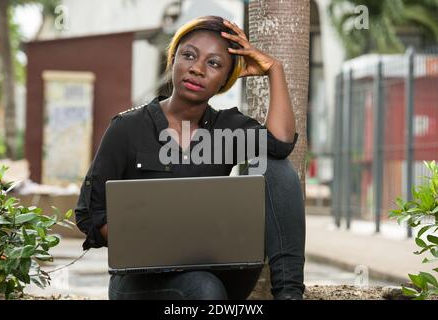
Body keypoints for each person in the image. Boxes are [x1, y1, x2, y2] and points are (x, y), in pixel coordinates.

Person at [75, 15, 305, 300]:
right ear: (173, 60)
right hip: (143, 281)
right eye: (189, 55)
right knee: (203, 289)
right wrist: (150, 243)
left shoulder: (227, 128)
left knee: (276, 167)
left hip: (218, 270)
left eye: (214, 64)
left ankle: (290, 296)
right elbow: (89, 213)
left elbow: (281, 144)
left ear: (224, 81)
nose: (197, 69)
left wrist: (275, 69)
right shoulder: (127, 128)